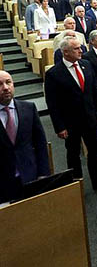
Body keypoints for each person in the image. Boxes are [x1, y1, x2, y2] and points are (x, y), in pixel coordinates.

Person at [44, 37, 97, 190]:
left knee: (94, 151)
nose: (81, 51)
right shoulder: (54, 73)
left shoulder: (86, 65)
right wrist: (59, 127)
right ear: (65, 52)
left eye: (80, 47)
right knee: (73, 154)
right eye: (76, 48)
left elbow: (95, 91)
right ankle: (77, 185)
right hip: (70, 122)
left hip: (90, 118)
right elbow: (52, 104)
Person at [0, 70, 50, 203]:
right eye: (0, 84)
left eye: (8, 82)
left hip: (30, 176)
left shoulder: (29, 108)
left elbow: (40, 144)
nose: (5, 87)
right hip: (3, 184)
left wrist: (43, 174)